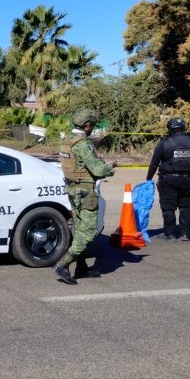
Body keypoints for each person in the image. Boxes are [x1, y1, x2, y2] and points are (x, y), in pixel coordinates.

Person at [54, 109, 116, 285]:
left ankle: (81, 267)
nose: (92, 129)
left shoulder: (67, 141)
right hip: (86, 192)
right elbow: (97, 170)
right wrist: (110, 167)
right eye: (92, 125)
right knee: (88, 232)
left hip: (74, 191)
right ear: (87, 125)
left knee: (79, 229)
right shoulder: (83, 144)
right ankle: (63, 264)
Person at [146, 118, 190, 241]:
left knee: (168, 207)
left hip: (168, 180)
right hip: (188, 180)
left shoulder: (165, 143)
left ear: (169, 128)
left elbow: (154, 163)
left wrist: (148, 178)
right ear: (183, 128)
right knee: (185, 206)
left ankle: (170, 234)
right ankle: (185, 234)